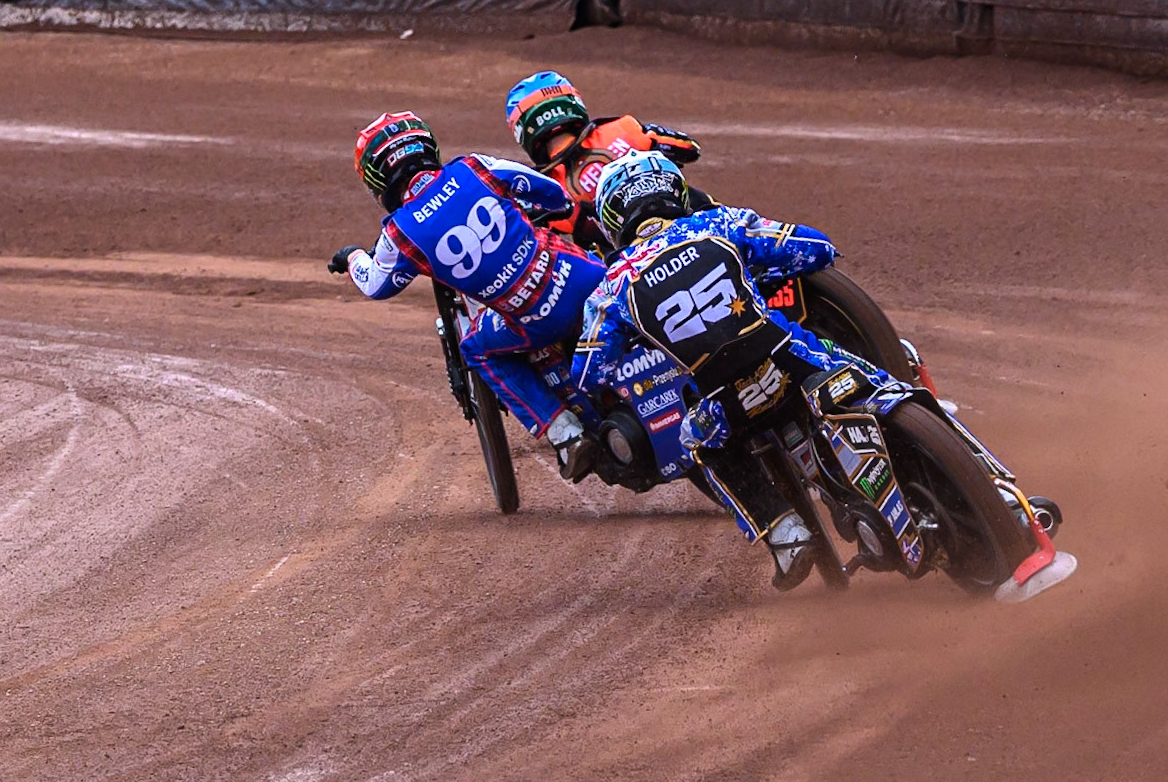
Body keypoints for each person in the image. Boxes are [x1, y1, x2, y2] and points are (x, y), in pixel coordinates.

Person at [570, 151, 895, 590]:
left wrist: (633, 338)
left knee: (694, 439)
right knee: (883, 379)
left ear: (612, 221)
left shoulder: (612, 286)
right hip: (793, 360)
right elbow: (816, 248)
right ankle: (977, 474)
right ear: (675, 192)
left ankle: (784, 535)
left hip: (728, 404)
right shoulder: (719, 223)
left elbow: (588, 371)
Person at [327, 111, 603, 479]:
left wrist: (352, 257)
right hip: (588, 280)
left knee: (475, 348)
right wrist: (553, 210)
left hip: (537, 320)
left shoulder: (400, 233)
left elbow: (377, 285)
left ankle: (566, 434)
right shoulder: (474, 167)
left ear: (378, 179)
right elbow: (551, 193)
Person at [503, 71, 707, 252]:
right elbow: (689, 149)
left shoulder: (541, 189)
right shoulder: (623, 129)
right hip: (694, 232)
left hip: (633, 269)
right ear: (571, 102)